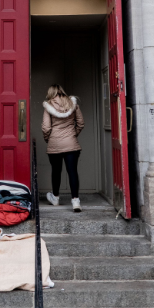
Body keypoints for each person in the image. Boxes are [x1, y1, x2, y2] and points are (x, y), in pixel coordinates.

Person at [41, 84, 85, 212]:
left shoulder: (48, 106)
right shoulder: (72, 103)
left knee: (56, 171)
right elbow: (81, 123)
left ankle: (55, 198)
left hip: (54, 143)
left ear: (51, 93)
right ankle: (76, 201)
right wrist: (73, 135)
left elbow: (46, 127)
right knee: (72, 172)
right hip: (71, 144)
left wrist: (48, 139)